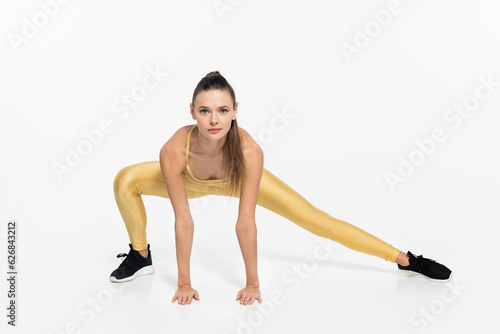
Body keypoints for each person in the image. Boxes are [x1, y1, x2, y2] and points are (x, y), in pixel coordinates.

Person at [109, 71, 452, 306]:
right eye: (205, 111)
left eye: (222, 110)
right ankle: (140, 256)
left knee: (319, 221)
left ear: (235, 112)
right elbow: (183, 220)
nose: (214, 120)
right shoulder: (174, 148)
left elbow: (245, 223)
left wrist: (254, 282)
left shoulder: (249, 151)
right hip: (188, 180)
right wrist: (184, 282)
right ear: (192, 112)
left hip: (238, 179)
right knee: (125, 180)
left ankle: (406, 260)